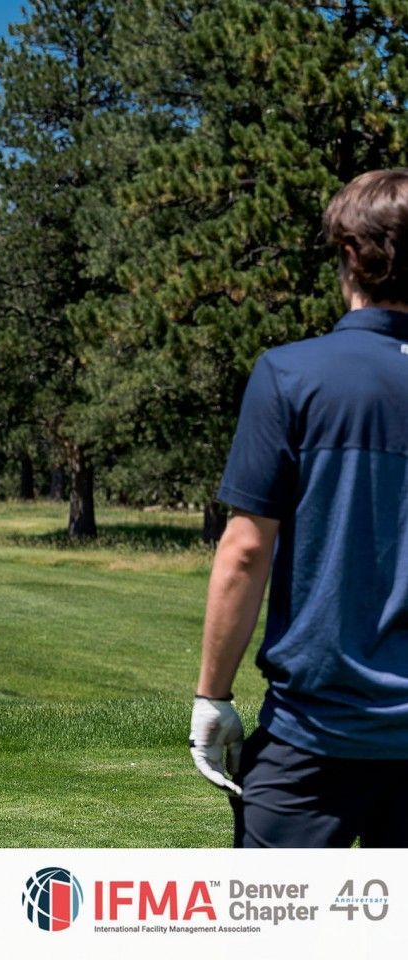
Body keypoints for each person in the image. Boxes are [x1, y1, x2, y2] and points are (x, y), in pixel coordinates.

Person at [191, 169, 408, 847]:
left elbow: (245, 549)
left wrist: (212, 696)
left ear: (347, 254)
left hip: (312, 738)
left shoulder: (290, 375)